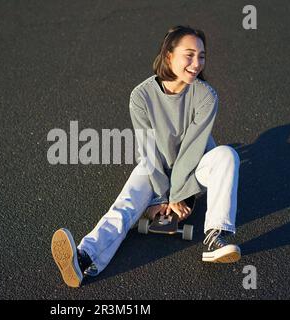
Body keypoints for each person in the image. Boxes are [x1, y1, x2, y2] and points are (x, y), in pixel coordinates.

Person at [51, 25, 241, 288]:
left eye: (202, 56)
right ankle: (85, 258)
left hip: (195, 167)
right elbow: (148, 149)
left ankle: (216, 234)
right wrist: (159, 198)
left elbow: (192, 150)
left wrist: (176, 197)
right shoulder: (141, 96)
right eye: (189, 55)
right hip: (155, 167)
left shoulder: (206, 95)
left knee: (227, 155)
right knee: (126, 204)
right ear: (168, 56)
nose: (196, 63)